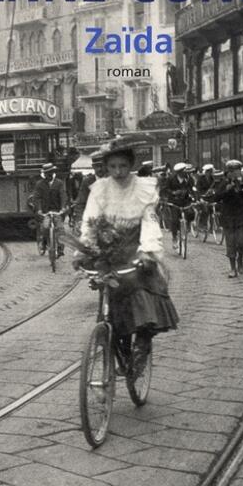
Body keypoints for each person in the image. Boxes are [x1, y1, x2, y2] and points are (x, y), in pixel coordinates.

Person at [76, 139, 179, 363]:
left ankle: (142, 343)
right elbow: (90, 220)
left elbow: (150, 222)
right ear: (106, 167)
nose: (118, 171)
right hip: (110, 252)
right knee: (109, 303)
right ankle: (113, 345)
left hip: (135, 250)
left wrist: (147, 252)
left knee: (142, 291)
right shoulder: (100, 189)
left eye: (123, 166)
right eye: (112, 167)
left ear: (131, 164)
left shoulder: (142, 188)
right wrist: (85, 249)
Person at [213, 160, 243, 278]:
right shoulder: (224, 183)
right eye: (232, 171)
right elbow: (217, 197)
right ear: (228, 172)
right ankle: (233, 268)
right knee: (231, 244)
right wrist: (227, 190)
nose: (234, 173)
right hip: (228, 218)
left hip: (241, 217)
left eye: (236, 171)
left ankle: (240, 258)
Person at [32, 163, 67, 256]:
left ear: (53, 173)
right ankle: (43, 243)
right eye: (47, 173)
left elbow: (63, 196)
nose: (49, 175)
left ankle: (60, 249)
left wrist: (63, 208)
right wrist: (39, 210)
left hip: (57, 211)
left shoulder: (59, 183)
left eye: (51, 173)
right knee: (45, 227)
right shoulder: (39, 184)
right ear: (44, 174)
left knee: (60, 229)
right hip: (45, 212)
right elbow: (36, 198)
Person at [163, 162, 195, 251]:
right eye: (184, 171)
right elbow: (165, 189)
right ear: (179, 172)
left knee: (191, 213)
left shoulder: (189, 179)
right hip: (174, 202)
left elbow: (193, 189)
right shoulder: (171, 179)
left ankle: (187, 225)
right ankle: (174, 238)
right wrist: (173, 192)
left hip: (186, 201)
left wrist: (194, 198)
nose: (186, 173)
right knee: (174, 220)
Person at [74, 150, 106, 229]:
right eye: (97, 166)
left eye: (102, 166)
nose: (99, 169)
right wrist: (79, 220)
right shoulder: (87, 182)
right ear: (93, 167)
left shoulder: (113, 179)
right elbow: (80, 203)